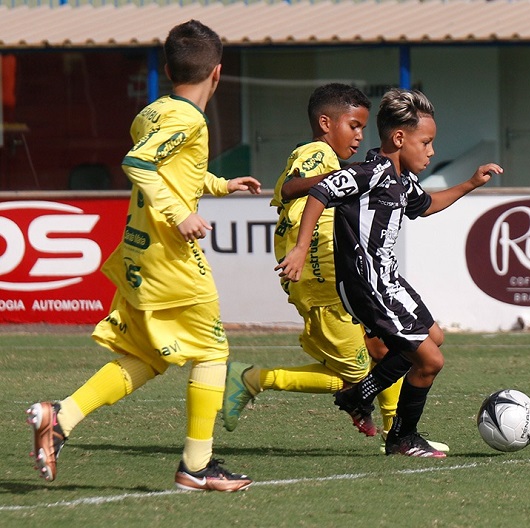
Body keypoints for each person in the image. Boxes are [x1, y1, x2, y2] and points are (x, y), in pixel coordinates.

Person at [25, 20, 260, 492]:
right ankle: (197, 466)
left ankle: (61, 417)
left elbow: (172, 170)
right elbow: (138, 164)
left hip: (139, 252)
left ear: (169, 69)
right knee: (213, 351)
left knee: (148, 356)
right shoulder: (189, 119)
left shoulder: (155, 111)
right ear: (217, 73)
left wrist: (218, 185)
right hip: (168, 254)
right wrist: (179, 214)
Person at [221, 83, 448, 452]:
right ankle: (253, 379)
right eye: (353, 126)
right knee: (360, 372)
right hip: (325, 278)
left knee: (388, 350)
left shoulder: (376, 174)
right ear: (326, 123)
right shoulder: (319, 153)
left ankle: (398, 431)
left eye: (362, 127)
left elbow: (419, 203)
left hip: (340, 276)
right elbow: (294, 187)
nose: (359, 136)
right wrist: (344, 182)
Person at [276, 88, 502, 458]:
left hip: (388, 281)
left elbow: (426, 206)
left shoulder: (399, 180)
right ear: (399, 138)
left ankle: (359, 394)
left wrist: (470, 183)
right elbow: (319, 191)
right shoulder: (371, 173)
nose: (431, 151)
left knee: (435, 338)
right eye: (426, 142)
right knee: (430, 361)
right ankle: (402, 437)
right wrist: (300, 248)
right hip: (367, 286)